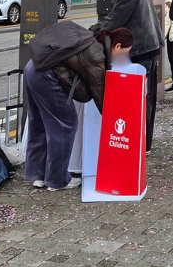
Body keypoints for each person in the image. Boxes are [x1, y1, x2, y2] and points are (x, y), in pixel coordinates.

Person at [23, 21, 115, 191]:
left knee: (40, 124)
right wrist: (113, 119)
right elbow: (99, 91)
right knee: (65, 124)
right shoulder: (95, 53)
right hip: (47, 76)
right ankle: (58, 180)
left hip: (32, 68)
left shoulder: (83, 38)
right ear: (116, 46)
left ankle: (39, 175)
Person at [94, 0, 162, 150]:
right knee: (147, 97)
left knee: (142, 99)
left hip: (141, 48)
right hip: (151, 45)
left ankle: (142, 144)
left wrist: (95, 30)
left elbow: (115, 18)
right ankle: (144, 143)